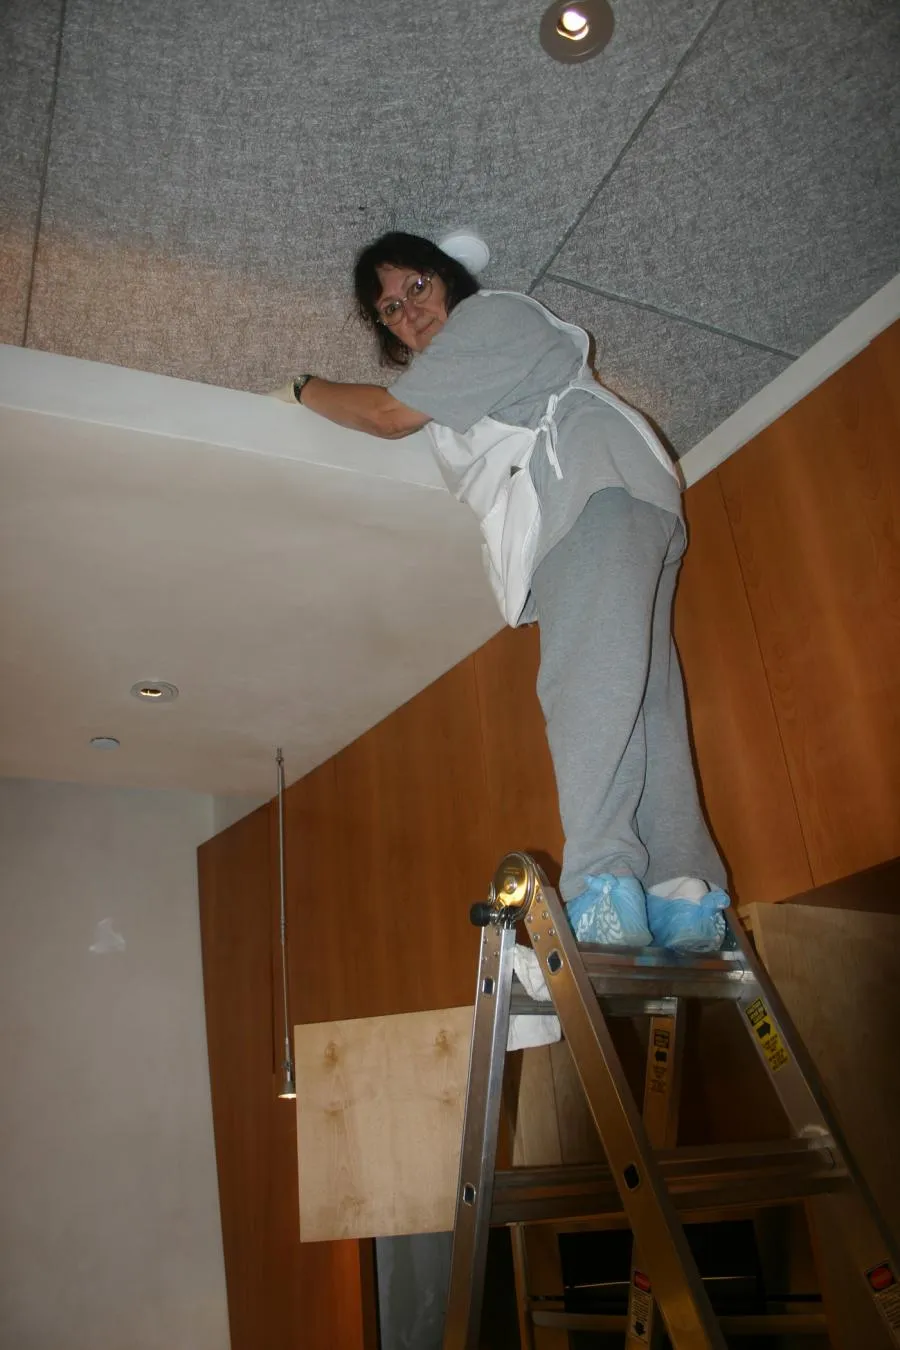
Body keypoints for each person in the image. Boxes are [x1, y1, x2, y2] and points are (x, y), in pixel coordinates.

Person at [272, 232, 730, 953]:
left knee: (587, 691)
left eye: (416, 288)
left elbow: (387, 417)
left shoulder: (492, 319)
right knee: (641, 700)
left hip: (589, 495)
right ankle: (683, 895)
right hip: (629, 501)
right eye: (389, 309)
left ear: (450, 280)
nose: (406, 312)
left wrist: (304, 387)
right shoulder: (466, 373)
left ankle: (605, 884)